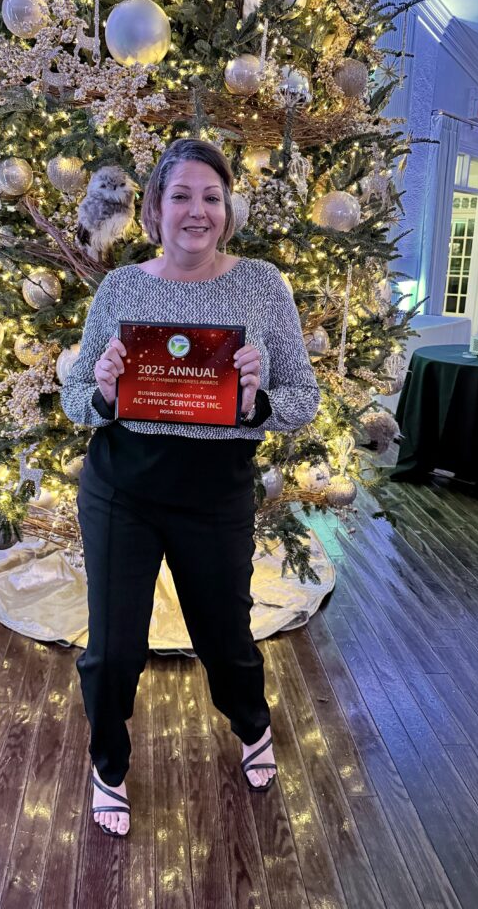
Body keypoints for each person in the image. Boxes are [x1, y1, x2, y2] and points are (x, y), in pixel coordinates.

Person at [61, 138, 320, 837]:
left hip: (216, 492)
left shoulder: (263, 284)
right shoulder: (121, 288)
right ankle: (107, 764)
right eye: (181, 196)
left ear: (228, 208)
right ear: (154, 210)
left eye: (211, 196)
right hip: (122, 486)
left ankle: (252, 724)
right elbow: (75, 393)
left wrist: (261, 399)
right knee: (113, 648)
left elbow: (306, 395)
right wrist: (106, 391)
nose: (197, 211)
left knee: (225, 641)